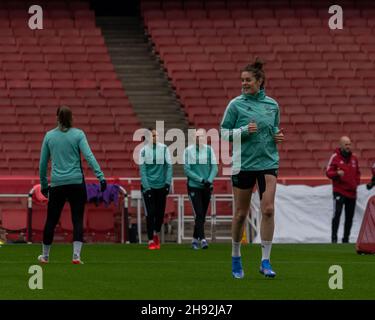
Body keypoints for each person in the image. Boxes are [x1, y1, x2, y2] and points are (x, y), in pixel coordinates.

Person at [220, 57, 284, 279]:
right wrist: (243, 131)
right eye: (242, 80)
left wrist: (278, 135)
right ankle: (236, 256)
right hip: (243, 165)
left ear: (260, 81)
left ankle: (265, 261)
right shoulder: (235, 105)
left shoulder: (272, 105)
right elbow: (223, 133)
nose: (244, 84)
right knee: (240, 214)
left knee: (268, 209)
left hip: (268, 163)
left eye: (248, 80)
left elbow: (274, 130)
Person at [38, 106, 107, 264]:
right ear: (71, 118)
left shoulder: (49, 136)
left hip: (57, 184)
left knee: (51, 220)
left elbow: (42, 164)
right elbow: (89, 156)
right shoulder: (78, 134)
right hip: (76, 182)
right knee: (77, 218)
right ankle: (76, 256)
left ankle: (45, 256)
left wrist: (43, 184)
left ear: (57, 117)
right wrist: (100, 177)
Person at [183, 128, 218, 250]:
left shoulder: (209, 150)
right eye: (197, 136)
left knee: (202, 215)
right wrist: (201, 180)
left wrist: (209, 180)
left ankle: (194, 240)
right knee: (199, 213)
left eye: (201, 136)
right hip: (194, 186)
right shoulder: (188, 151)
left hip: (207, 187)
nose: (199, 138)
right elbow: (187, 170)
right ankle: (203, 239)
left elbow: (214, 167)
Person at [139, 128, 173, 250]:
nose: (155, 137)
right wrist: (147, 187)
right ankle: (150, 240)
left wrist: (167, 183)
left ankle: (156, 234)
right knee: (150, 213)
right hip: (148, 187)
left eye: (156, 135)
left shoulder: (164, 149)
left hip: (161, 186)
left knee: (160, 214)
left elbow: (169, 166)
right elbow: (142, 170)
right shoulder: (143, 151)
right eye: (152, 136)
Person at [326, 136, 361, 243]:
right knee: (337, 215)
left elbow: (358, 174)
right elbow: (328, 172)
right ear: (340, 145)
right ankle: (334, 239)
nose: (348, 146)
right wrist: (337, 173)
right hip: (339, 191)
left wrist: (355, 184)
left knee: (349, 218)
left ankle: (346, 239)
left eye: (349, 144)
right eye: (346, 144)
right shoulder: (335, 157)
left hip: (352, 193)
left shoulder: (354, 158)